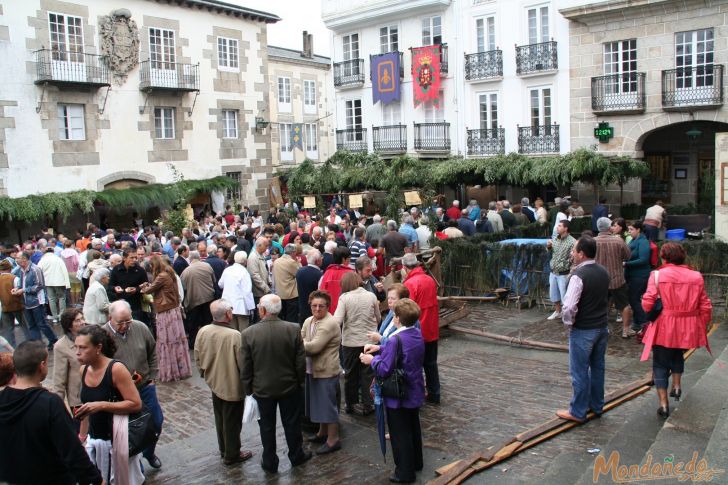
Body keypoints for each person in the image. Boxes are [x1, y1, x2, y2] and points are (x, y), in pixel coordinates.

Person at [0, 341, 103, 485]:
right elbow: (71, 449)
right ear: (42, 366)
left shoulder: (3, 399)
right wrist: (95, 479)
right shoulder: (49, 403)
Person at [241, 294, 311, 474]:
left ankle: (270, 460)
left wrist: (248, 388)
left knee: (266, 426)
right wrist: (299, 382)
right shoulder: (292, 329)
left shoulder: (249, 333)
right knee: (292, 424)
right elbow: (300, 362)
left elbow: (246, 366)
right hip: (289, 387)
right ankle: (296, 455)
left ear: (263, 310)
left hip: (262, 389)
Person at [641, 243, 712, 417]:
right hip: (687, 325)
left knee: (660, 363)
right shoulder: (696, 276)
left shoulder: (657, 275)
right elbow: (705, 306)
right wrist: (699, 325)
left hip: (664, 325)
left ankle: (664, 404)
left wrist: (648, 308)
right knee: (677, 354)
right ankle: (678, 386)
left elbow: (648, 302)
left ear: (664, 257)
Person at [360, 298, 425, 484]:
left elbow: (384, 369)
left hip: (399, 394)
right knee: (413, 427)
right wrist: (381, 347)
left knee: (399, 433)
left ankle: (404, 472)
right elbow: (403, 352)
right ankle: (416, 462)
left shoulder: (396, 339)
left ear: (397, 318)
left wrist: (370, 360)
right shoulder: (416, 334)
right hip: (414, 388)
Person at [76, 324, 145, 483]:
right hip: (96, 439)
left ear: (98, 348)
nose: (77, 352)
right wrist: (82, 437)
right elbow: (86, 408)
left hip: (118, 438)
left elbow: (135, 404)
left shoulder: (116, 369)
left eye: (83, 347)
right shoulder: (83, 370)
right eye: (76, 347)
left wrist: (101, 405)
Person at [104, 300, 164, 469]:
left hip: (144, 386)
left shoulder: (140, 327)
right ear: (110, 318)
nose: (124, 326)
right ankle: (137, 465)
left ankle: (149, 453)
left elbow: (152, 351)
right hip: (120, 393)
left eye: (127, 321)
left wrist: (152, 375)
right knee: (130, 430)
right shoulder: (103, 335)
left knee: (156, 421)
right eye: (120, 322)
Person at [556, 236, 610, 424]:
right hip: (601, 327)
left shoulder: (579, 275)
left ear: (581, 254)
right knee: (597, 368)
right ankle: (596, 405)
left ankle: (577, 411)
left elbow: (569, 306)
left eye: (574, 250)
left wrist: (569, 324)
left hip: (584, 329)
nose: (572, 253)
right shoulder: (603, 271)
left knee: (579, 371)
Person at [195, 299, 253, 465]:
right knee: (232, 421)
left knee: (221, 417)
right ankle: (232, 453)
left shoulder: (204, 331)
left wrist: (205, 373)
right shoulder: (234, 335)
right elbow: (243, 364)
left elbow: (197, 355)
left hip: (214, 382)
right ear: (228, 314)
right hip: (231, 384)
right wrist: (248, 384)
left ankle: (225, 448)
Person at [301, 290, 342, 454]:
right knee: (319, 403)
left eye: (321, 306)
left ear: (328, 307)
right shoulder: (308, 320)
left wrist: (302, 343)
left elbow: (312, 347)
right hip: (312, 369)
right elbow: (301, 336)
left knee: (328, 406)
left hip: (326, 370)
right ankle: (322, 432)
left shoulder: (329, 323)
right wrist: (303, 342)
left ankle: (333, 440)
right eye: (314, 305)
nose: (317, 309)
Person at [334, 272, 381, 416]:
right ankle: (368, 403)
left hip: (350, 342)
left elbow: (337, 320)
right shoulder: (371, 296)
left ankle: (350, 403)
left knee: (350, 374)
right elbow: (378, 317)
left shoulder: (344, 298)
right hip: (369, 341)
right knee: (368, 374)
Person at [140, 256, 191, 382]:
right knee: (176, 339)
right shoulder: (169, 273)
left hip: (165, 310)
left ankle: (171, 371)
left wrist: (143, 287)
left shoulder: (162, 276)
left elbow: (149, 290)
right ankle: (179, 368)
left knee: (167, 340)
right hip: (173, 309)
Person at [401, 253, 440, 404]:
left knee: (414, 365)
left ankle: (415, 393)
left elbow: (407, 310)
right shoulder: (429, 279)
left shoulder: (410, 284)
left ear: (404, 267)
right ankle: (434, 393)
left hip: (418, 331)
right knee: (431, 364)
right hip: (431, 328)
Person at [594, 218, 632, 337]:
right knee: (624, 305)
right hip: (617, 279)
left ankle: (602, 328)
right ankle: (626, 330)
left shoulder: (593, 241)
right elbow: (628, 256)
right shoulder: (618, 241)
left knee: (601, 306)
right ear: (609, 227)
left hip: (599, 280)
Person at [14, 250, 58, 350]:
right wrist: (17, 288)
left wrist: (23, 290)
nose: (16, 260)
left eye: (18, 258)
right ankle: (38, 345)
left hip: (36, 301)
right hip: (26, 302)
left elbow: (39, 285)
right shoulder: (21, 270)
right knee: (31, 325)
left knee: (41, 324)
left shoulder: (35, 269)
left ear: (24, 259)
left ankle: (53, 340)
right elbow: (22, 283)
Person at [52, 308, 86, 429]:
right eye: (78, 320)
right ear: (69, 325)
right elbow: (59, 379)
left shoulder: (91, 337)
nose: (82, 322)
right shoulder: (61, 346)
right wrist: (57, 407)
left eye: (82, 318)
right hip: (78, 399)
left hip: (96, 393)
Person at [180, 251, 217, 347]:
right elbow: (214, 280)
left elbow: (183, 288)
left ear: (190, 259)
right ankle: (209, 341)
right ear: (199, 257)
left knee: (193, 324)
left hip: (194, 301)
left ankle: (193, 343)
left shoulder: (186, 271)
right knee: (208, 321)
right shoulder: (207, 266)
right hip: (209, 298)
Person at [624, 220, 651, 335]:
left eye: (631, 229)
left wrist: (626, 264)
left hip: (640, 276)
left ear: (638, 230)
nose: (629, 232)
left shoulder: (643, 241)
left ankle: (645, 323)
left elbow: (643, 259)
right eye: (628, 229)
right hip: (633, 275)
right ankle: (637, 322)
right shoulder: (635, 240)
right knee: (634, 299)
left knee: (633, 299)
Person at [108, 249, 149, 325]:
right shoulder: (116, 269)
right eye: (131, 258)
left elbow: (146, 285)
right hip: (120, 303)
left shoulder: (140, 270)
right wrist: (115, 288)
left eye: (135, 258)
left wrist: (136, 289)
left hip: (136, 305)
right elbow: (110, 286)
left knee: (136, 326)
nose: (134, 260)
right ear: (124, 258)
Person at [217, 251, 255, 331]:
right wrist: (251, 307)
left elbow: (220, 284)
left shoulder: (227, 270)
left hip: (228, 305)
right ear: (245, 261)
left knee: (232, 329)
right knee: (243, 330)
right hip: (241, 306)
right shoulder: (244, 272)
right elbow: (247, 291)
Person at [546, 220, 576, 321]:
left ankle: (567, 314)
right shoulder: (555, 239)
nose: (557, 228)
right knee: (553, 294)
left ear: (566, 228)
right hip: (553, 271)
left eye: (559, 226)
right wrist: (549, 247)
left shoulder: (572, 241)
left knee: (565, 296)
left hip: (564, 273)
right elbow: (551, 252)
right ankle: (558, 311)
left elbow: (574, 258)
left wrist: (569, 267)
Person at [0, 258, 29, 347]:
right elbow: (20, 291)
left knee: (8, 330)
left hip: (5, 307)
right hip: (17, 306)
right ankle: (29, 345)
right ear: (10, 268)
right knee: (25, 327)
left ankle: (12, 349)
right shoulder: (15, 278)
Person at [38, 246, 71, 324]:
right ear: (53, 252)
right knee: (62, 298)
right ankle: (61, 315)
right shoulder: (58, 259)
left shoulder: (42, 260)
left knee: (51, 299)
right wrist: (67, 284)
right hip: (59, 282)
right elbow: (64, 271)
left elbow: (39, 270)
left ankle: (55, 317)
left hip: (48, 282)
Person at [319, 246, 354, 314]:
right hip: (346, 312)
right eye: (349, 258)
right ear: (343, 259)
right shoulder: (351, 274)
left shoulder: (327, 272)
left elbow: (322, 292)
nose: (350, 261)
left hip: (330, 312)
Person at [272, 244, 301, 323]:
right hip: (291, 295)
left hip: (280, 294)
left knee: (282, 317)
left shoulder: (277, 261)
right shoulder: (291, 262)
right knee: (291, 319)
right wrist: (298, 262)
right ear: (294, 252)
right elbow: (300, 273)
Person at [296, 248, 324, 324]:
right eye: (321, 258)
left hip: (302, 308)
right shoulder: (319, 275)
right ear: (317, 261)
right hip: (314, 310)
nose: (322, 259)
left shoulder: (299, 271)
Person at [247, 238, 271, 323]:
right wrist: (265, 288)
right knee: (259, 315)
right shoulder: (253, 257)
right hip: (258, 292)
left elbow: (265, 270)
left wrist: (269, 281)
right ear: (259, 246)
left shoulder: (261, 255)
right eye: (266, 246)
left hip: (262, 291)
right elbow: (255, 276)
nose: (267, 248)